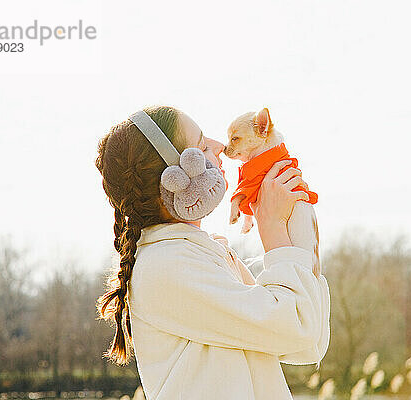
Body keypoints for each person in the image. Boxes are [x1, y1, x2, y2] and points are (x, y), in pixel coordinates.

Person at [94, 105, 330, 400]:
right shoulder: (169, 266)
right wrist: (273, 230)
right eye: (203, 145)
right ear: (175, 178)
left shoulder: (204, 253)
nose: (220, 147)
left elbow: (308, 342)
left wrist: (295, 221)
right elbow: (296, 327)